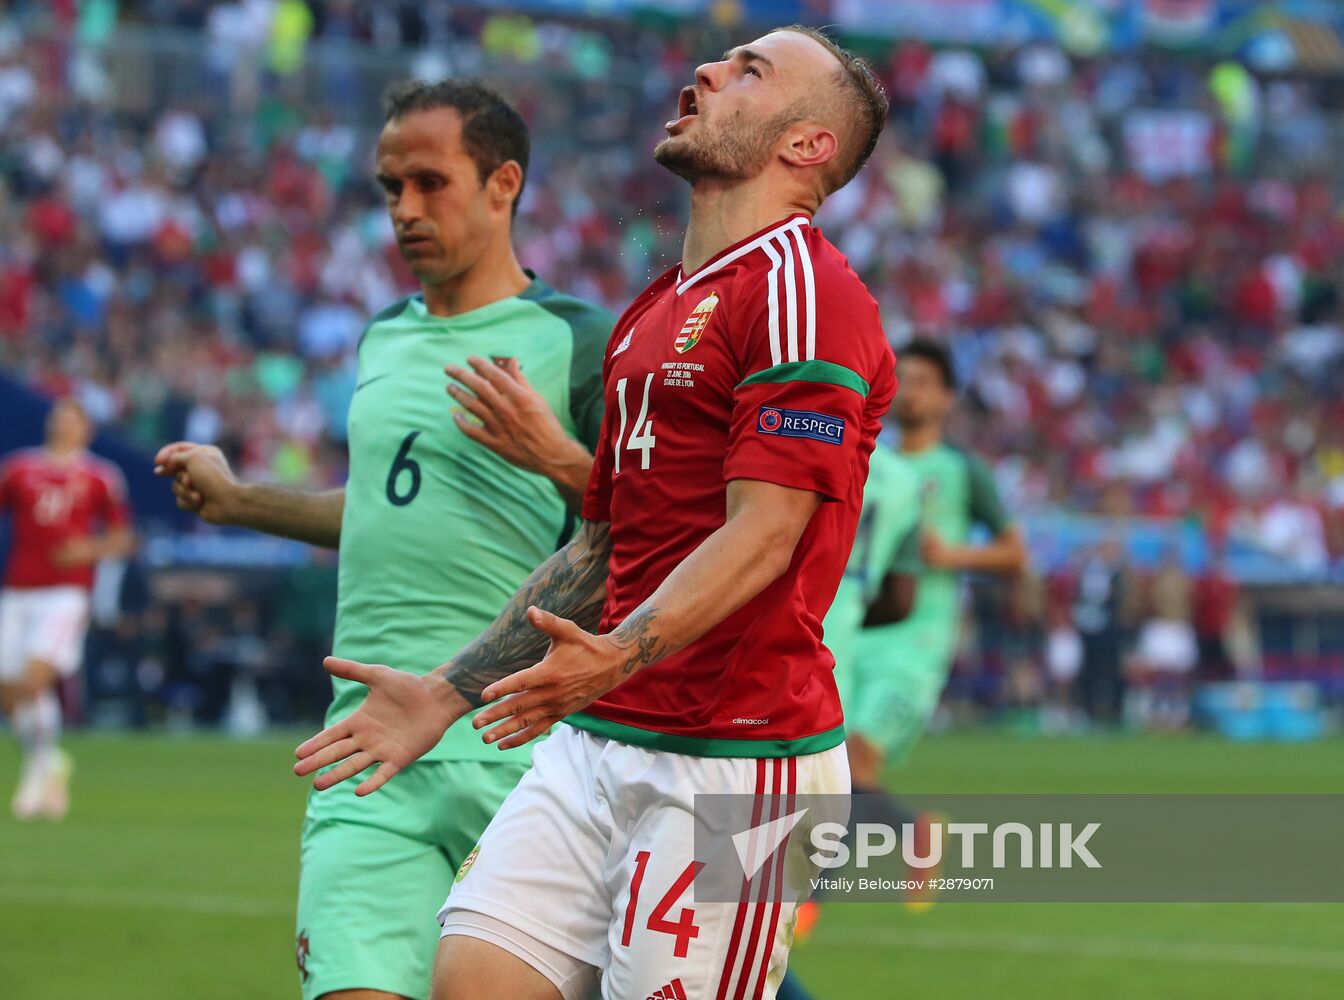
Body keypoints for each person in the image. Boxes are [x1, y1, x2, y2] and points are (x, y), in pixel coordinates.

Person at [295, 25, 893, 1000]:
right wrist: (445, 693)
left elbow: (768, 530)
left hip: (730, 758)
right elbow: (600, 545)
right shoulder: (654, 311)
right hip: (596, 738)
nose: (706, 69)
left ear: (808, 144)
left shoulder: (803, 289)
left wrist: (619, 651)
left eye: (750, 70)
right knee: (471, 983)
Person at [155, 81, 613, 1000]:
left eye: (430, 183)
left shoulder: (583, 341)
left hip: (516, 742)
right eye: (389, 188)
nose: (404, 210)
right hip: (365, 746)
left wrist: (560, 457)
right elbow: (383, 506)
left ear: (503, 183)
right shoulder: (381, 339)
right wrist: (242, 501)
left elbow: (649, 529)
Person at [844, 339, 1025, 877]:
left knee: (859, 757)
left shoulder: (962, 470)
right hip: (859, 630)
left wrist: (952, 554)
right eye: (906, 380)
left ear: (947, 398)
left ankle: (811, 902)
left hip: (919, 640)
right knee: (832, 768)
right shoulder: (876, 463)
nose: (912, 392)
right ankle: (913, 831)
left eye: (925, 382)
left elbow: (1015, 552)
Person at [0, 397, 134, 820]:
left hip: (66, 592)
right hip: (19, 588)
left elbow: (123, 537)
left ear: (86, 430)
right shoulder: (19, 468)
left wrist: (86, 550)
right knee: (9, 687)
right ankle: (48, 760)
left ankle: (36, 773)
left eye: (71, 421)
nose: (63, 426)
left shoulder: (100, 476)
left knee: (35, 678)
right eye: (58, 419)